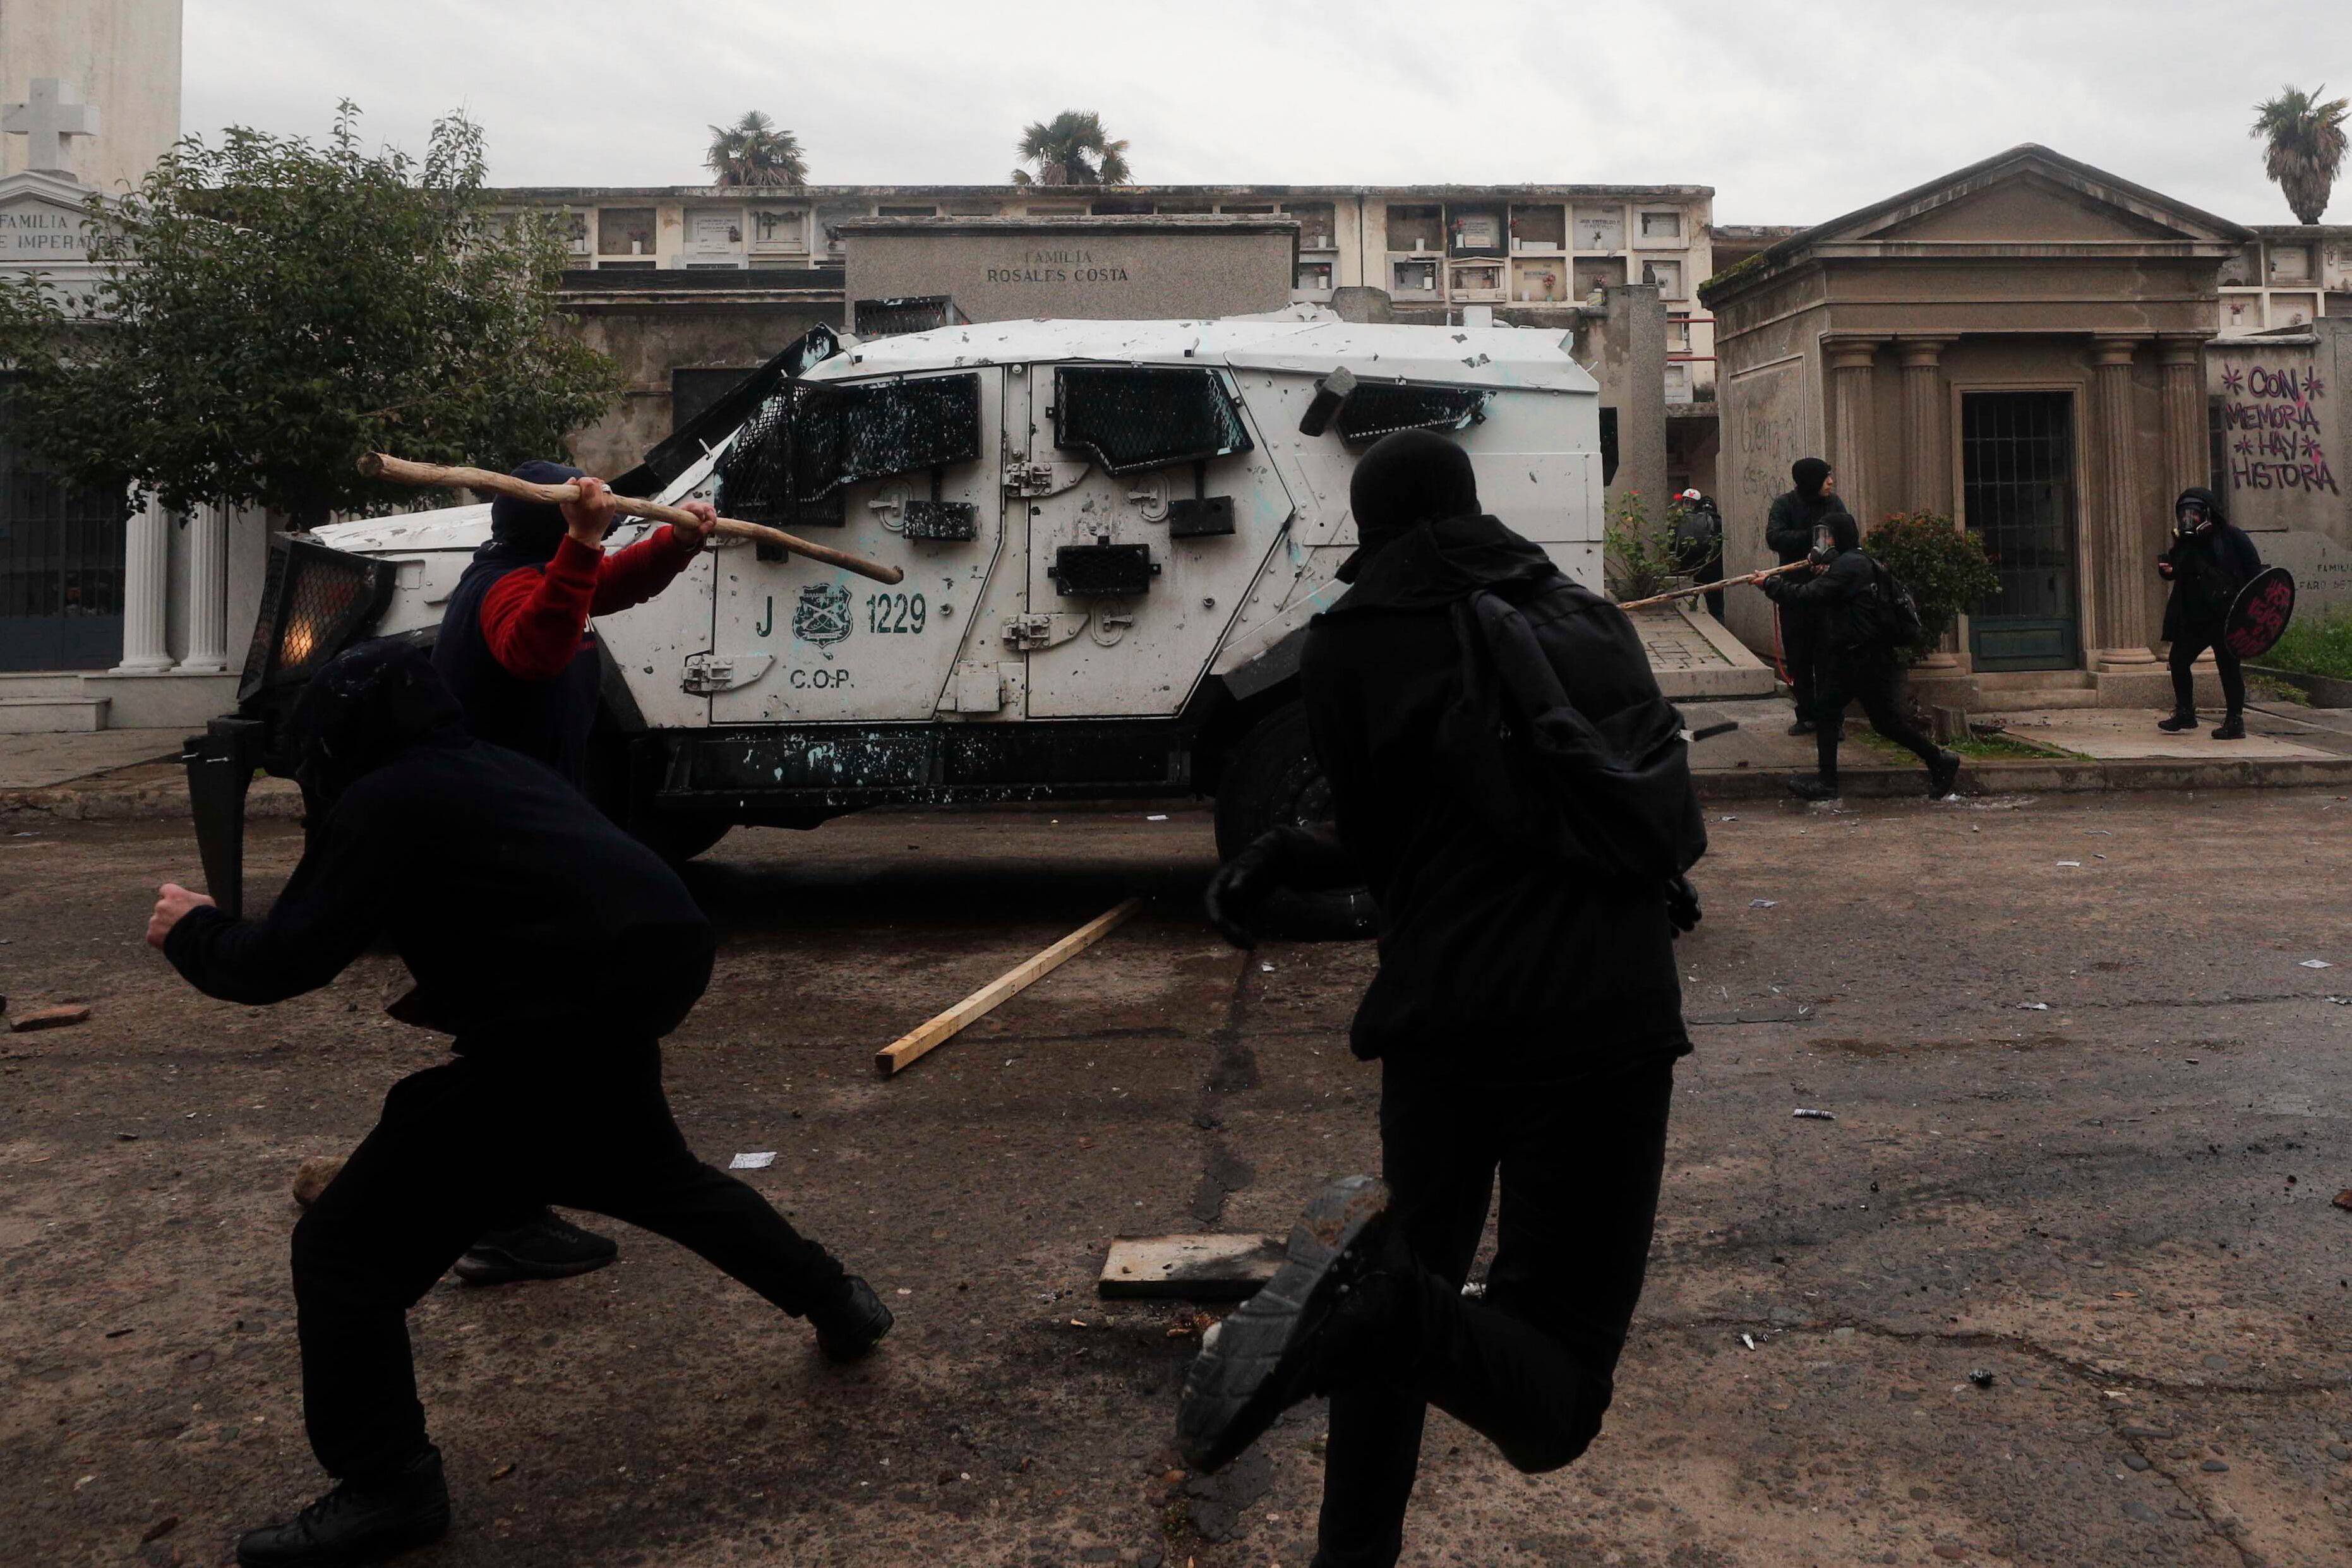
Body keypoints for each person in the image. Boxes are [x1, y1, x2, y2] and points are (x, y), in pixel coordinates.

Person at [147, 642, 891, 1568]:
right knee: (652, 1175)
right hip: (620, 995)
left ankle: (389, 1486)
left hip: (553, 1024)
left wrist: (194, 930)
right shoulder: (486, 766)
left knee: (342, 1251)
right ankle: (839, 1299)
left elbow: (283, 961)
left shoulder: (387, 799)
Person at [1177, 429, 1707, 1568]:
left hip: (1442, 1021)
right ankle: (1370, 1308)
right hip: (1599, 1023)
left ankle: (1350, 1547)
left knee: (1400, 1305)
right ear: (1472, 507)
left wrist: (1281, 850)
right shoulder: (1588, 618)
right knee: (1552, 1385)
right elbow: (1630, 819)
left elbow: (1385, 845)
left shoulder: (1345, 647)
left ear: (1371, 532)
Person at [431, 461, 715, 1284]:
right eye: (579, 517)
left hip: (525, 835)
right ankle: (497, 1217)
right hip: (499, 850)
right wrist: (587, 541)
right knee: (521, 1028)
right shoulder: (507, 593)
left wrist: (676, 542)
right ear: (554, 527)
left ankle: (493, 1203)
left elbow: (601, 587)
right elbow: (533, 647)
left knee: (528, 1026)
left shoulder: (539, 574)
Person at [1761, 509, 1960, 802]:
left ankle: (1940, 761)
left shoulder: (1849, 565)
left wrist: (1770, 585)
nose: (1823, 542)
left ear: (1840, 536)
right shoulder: (1857, 562)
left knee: (1883, 721)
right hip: (1855, 655)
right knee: (1830, 712)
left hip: (1865, 657)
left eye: (1827, 536)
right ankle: (1828, 783)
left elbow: (1808, 596)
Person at [2156, 486, 2262, 740]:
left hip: (2225, 616)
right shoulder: (2184, 542)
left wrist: (2250, 612)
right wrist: (2168, 570)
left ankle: (2235, 721)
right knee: (2178, 661)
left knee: (2228, 668)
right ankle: (2185, 713)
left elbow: (2255, 573)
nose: (2189, 520)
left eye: (2194, 514)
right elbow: (2177, 570)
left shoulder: (2232, 537)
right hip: (2194, 617)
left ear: (2208, 514)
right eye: (2185, 515)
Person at [1763, 457, 1847, 736]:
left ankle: (1831, 720)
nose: (1831, 483)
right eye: (1826, 478)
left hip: (1828, 596)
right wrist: (1814, 540)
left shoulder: (1834, 505)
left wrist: (1829, 552)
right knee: (1799, 659)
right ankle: (1807, 715)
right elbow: (1775, 537)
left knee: (1829, 661)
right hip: (1795, 594)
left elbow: (1847, 537)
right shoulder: (1785, 504)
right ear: (1812, 481)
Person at [1671, 488, 1725, 620]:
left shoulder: (1679, 522)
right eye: (1686, 503)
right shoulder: (1714, 520)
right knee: (1716, 608)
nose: (1688, 506)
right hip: (1712, 570)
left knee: (1687, 604)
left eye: (1691, 503)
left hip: (1689, 570)